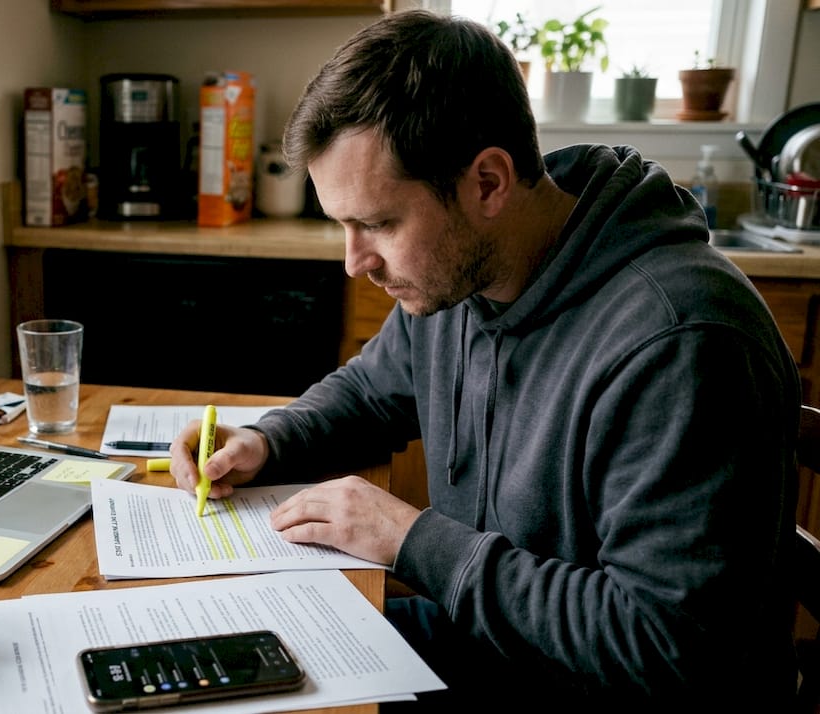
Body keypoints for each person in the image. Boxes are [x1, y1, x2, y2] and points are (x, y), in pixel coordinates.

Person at [168, 10, 800, 709]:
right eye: (343, 226)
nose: (355, 263)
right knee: (208, 658)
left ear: (489, 183)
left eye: (378, 224)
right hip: (492, 649)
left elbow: (665, 645)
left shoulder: (683, 341)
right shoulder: (460, 278)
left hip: (602, 692)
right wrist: (265, 440)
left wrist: (414, 541)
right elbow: (371, 392)